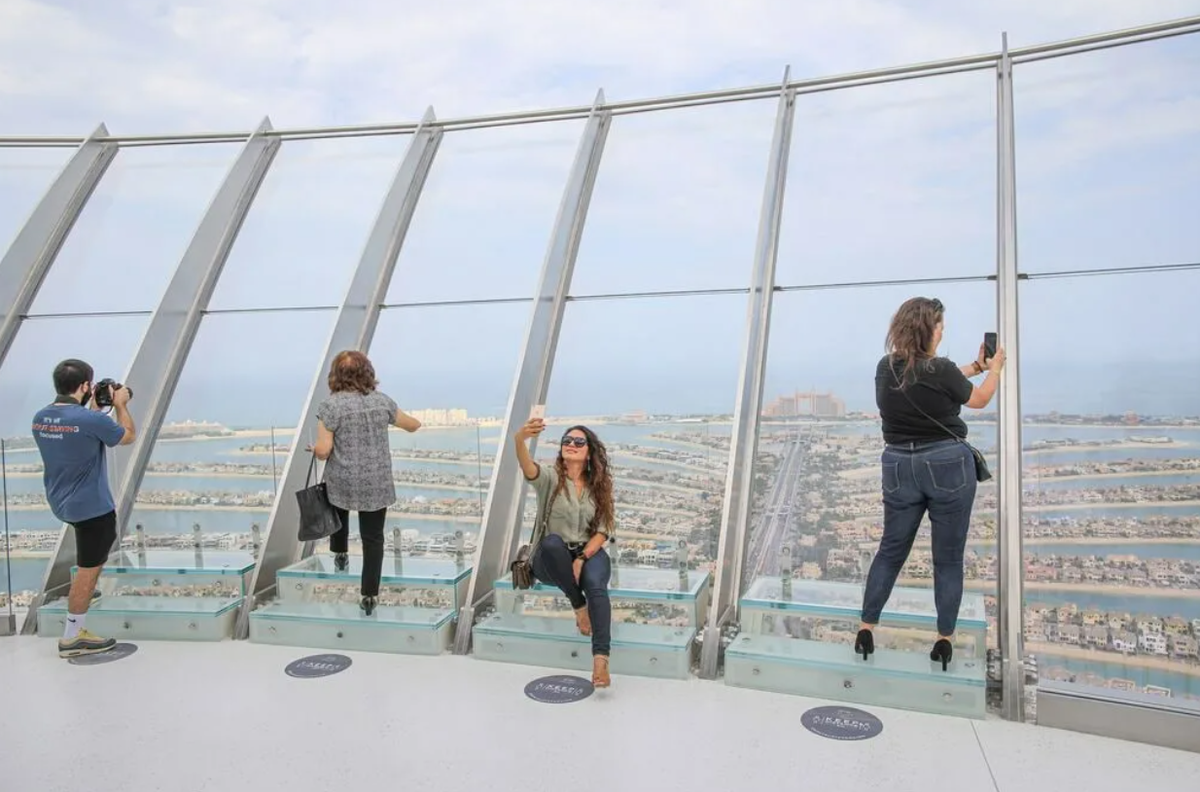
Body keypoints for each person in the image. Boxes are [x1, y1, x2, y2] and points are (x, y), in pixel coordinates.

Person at [856, 297, 1006, 670]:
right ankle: (943, 640)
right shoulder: (939, 369)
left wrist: (974, 366)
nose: (943, 330)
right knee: (948, 558)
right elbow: (980, 399)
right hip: (945, 465)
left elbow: (931, 379)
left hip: (897, 465)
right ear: (930, 330)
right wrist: (995, 369)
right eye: (940, 325)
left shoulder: (884, 367)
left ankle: (865, 627)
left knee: (890, 551)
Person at [32, 359, 135, 658]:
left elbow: (77, 431)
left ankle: (80, 608)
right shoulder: (91, 420)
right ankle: (73, 636)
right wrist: (120, 405)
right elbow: (127, 436)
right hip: (92, 509)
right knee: (88, 572)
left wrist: (94, 410)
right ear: (86, 386)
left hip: (61, 503)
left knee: (88, 565)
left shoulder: (41, 418)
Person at [312, 350, 421, 615]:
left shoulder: (330, 406)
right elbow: (413, 425)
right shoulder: (381, 402)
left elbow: (324, 451)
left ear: (335, 376)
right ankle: (369, 594)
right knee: (373, 538)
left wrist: (314, 449)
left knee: (337, 504)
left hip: (344, 478)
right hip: (376, 481)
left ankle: (340, 553)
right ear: (367, 373)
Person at [514, 418, 616, 688]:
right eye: (566, 441)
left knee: (596, 586)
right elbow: (528, 467)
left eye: (578, 441)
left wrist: (582, 558)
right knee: (552, 543)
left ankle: (600, 659)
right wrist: (519, 439)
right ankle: (578, 606)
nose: (571, 444)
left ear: (589, 451)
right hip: (552, 561)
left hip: (587, 551)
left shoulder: (600, 486)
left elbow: (604, 530)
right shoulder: (550, 478)